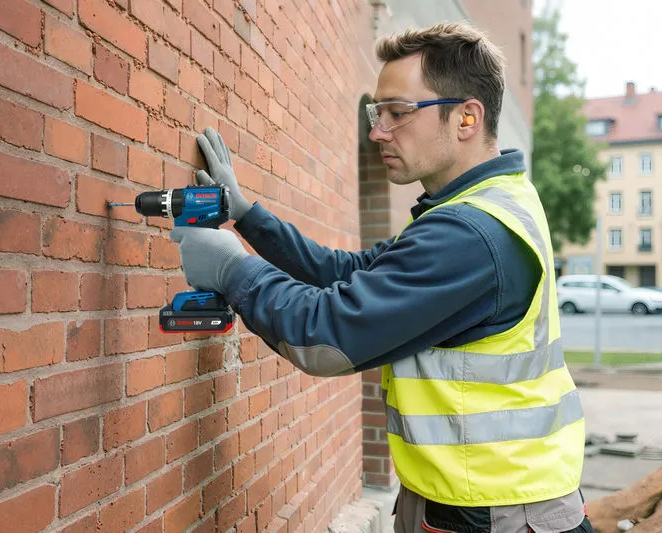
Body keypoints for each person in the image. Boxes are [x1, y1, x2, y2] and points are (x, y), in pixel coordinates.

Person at [170, 22, 591, 533]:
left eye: (398, 112)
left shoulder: (469, 235)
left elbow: (327, 336)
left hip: (492, 513)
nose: (377, 131)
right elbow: (347, 273)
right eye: (377, 113)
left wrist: (231, 267)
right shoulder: (482, 206)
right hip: (478, 498)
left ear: (466, 118)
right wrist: (249, 216)